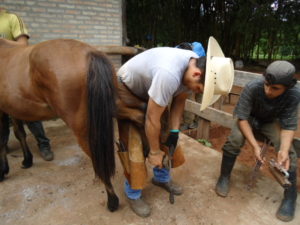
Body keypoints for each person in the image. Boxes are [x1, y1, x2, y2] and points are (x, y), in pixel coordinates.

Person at [116, 37, 234, 217]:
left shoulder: (194, 64)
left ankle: (161, 178)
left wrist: (174, 131)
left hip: (151, 90)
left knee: (164, 136)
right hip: (127, 89)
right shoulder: (169, 74)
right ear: (197, 75)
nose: (196, 92)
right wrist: (154, 152)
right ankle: (133, 193)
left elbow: (179, 102)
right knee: (135, 139)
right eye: (199, 89)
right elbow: (151, 118)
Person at [215, 60, 300, 222]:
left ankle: (290, 197)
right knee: (234, 140)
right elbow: (242, 119)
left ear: (287, 87)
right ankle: (224, 176)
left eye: (275, 88)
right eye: (267, 84)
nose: (268, 90)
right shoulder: (253, 87)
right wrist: (255, 146)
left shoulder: (294, 93)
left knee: (289, 153)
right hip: (248, 119)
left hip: (270, 121)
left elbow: (289, 125)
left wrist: (282, 150)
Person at [0, 8, 53, 161]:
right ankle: (5, 145)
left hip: (13, 72)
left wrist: (1, 42)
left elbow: (23, 44)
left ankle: (44, 144)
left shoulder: (11, 18)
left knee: (28, 111)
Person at [175, 42, 206, 130]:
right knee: (189, 97)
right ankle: (189, 122)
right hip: (195, 76)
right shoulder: (179, 48)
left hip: (200, 77)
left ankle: (194, 121)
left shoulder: (197, 50)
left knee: (197, 98)